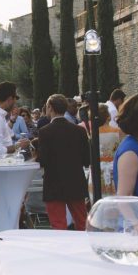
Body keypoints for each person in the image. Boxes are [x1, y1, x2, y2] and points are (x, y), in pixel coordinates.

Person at [34, 94, 90, 230]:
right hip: (75, 181)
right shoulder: (79, 131)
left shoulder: (45, 132)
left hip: (54, 183)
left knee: (58, 225)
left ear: (50, 107)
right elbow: (86, 160)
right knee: (82, 222)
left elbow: (43, 160)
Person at [0, 82, 30, 156]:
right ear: (9, 99)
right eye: (14, 100)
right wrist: (18, 146)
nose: (15, 103)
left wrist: (12, 120)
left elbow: (2, 131)